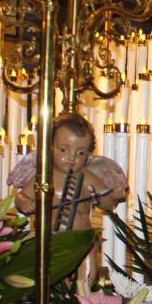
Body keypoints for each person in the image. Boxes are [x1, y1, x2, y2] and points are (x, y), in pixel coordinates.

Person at [12, 112, 127, 287]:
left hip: (81, 241)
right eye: (63, 150)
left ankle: (83, 300)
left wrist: (112, 196)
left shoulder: (86, 177)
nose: (72, 158)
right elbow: (22, 196)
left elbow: (104, 202)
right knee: (52, 277)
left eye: (80, 153)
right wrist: (22, 201)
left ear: (89, 153)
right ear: (49, 147)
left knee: (87, 275)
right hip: (50, 241)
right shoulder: (44, 176)